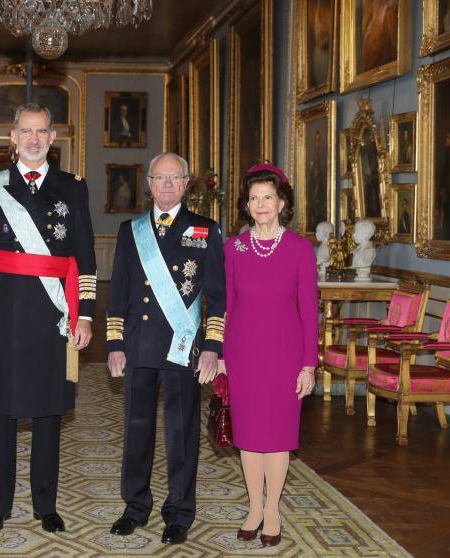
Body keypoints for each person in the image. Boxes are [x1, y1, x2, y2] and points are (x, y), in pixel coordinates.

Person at [0, 103, 97, 534]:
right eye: (26, 131)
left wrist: (86, 316)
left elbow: (87, 259)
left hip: (52, 316)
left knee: (48, 412)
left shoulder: (73, 188)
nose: (34, 139)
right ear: (13, 138)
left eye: (42, 131)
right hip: (2, 316)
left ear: (54, 137)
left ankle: (46, 504)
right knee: (1, 412)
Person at [106, 153, 226, 545]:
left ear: (188, 183)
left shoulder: (206, 231)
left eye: (175, 178)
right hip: (139, 346)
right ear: (149, 184)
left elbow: (217, 299)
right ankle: (135, 506)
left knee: (181, 433)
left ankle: (179, 512)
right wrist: (114, 343)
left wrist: (211, 346)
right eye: (160, 178)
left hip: (183, 348)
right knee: (136, 431)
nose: (167, 185)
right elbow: (119, 293)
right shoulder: (131, 230)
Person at [220, 163, 318, 547]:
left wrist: (309, 364)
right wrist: (223, 356)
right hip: (243, 353)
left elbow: (309, 311)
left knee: (277, 436)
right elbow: (225, 305)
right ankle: (253, 508)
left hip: (285, 354)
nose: (260, 205)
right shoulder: (234, 249)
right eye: (254, 198)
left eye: (268, 198)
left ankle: (272, 509)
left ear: (281, 203)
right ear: (247, 205)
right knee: (248, 436)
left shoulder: (299, 250)